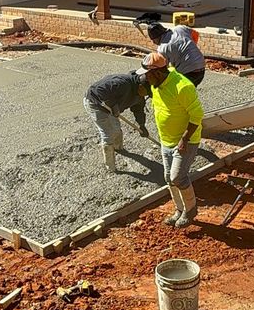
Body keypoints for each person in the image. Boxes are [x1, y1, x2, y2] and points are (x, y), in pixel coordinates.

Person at [142, 53, 203, 228]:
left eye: (147, 74)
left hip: (186, 140)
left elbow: (197, 115)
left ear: (158, 73)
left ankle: (190, 209)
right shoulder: (156, 84)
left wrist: (184, 139)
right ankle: (179, 209)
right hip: (166, 140)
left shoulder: (183, 86)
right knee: (168, 178)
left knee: (178, 177)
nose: (145, 77)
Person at [84, 69, 149, 172]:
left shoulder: (140, 94)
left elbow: (138, 110)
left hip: (110, 108)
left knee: (117, 129)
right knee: (108, 133)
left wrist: (142, 125)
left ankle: (119, 148)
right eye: (147, 93)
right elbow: (98, 90)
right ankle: (110, 166)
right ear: (141, 86)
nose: (145, 96)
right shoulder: (121, 83)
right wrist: (113, 105)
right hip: (96, 104)